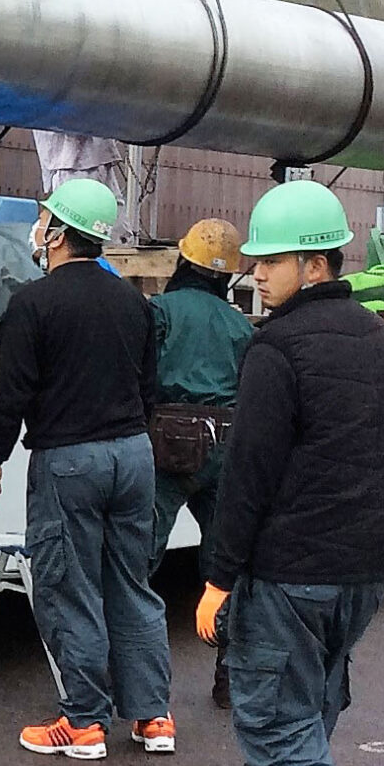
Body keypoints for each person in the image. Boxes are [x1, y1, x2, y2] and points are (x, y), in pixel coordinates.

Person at [196, 180, 384, 766]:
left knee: (278, 718)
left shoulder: (277, 349)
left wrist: (218, 578)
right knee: (307, 703)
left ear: (312, 266)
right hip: (364, 568)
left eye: (269, 262)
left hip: (289, 569)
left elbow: (247, 475)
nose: (255, 273)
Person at [0, 177, 172, 762]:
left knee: (69, 586)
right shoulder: (135, 303)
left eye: (42, 220)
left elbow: (11, 391)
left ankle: (85, 721)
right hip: (134, 455)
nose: (37, 229)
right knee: (131, 584)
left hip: (70, 461)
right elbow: (148, 387)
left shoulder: (34, 303)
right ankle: (152, 716)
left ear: (60, 234)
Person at [147, 219, 254, 710]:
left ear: (182, 261)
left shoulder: (161, 312)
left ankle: (129, 673)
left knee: (137, 557)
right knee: (224, 561)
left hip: (167, 445)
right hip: (226, 446)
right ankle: (229, 676)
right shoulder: (239, 325)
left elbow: (142, 374)